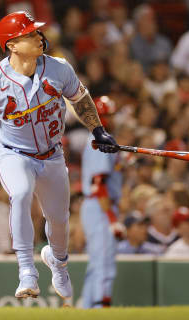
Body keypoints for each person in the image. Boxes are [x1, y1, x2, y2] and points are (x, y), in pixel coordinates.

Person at [0, 11, 119, 302]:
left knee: (59, 221)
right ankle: (27, 269)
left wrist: (98, 130)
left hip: (51, 156)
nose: (39, 37)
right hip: (14, 153)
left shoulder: (59, 68)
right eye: (30, 34)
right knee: (21, 194)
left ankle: (59, 263)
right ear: (12, 44)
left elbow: (80, 98)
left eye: (37, 32)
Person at [80, 96, 124, 308]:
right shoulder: (101, 140)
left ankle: (87, 309)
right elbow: (99, 184)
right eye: (107, 115)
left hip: (95, 206)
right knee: (104, 263)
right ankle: (100, 307)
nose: (110, 119)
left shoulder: (96, 139)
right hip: (100, 207)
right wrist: (112, 218)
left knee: (97, 263)